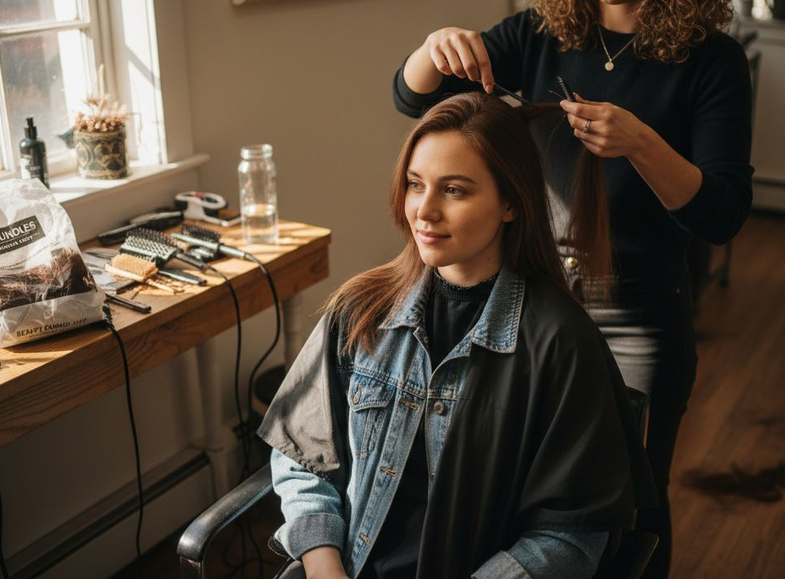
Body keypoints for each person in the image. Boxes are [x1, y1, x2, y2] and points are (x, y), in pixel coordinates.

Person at [392, 0, 754, 575]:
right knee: (533, 491)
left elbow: (721, 215)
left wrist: (640, 144)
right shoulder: (541, 33)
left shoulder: (712, 61)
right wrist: (434, 48)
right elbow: (409, 96)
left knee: (630, 498)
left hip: (638, 313)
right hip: (529, 302)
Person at [258, 92, 657, 579]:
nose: (424, 211)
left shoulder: (561, 343)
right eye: (415, 184)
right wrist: (325, 567)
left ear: (510, 202)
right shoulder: (359, 309)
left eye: (455, 190)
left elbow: (570, 538)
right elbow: (302, 458)